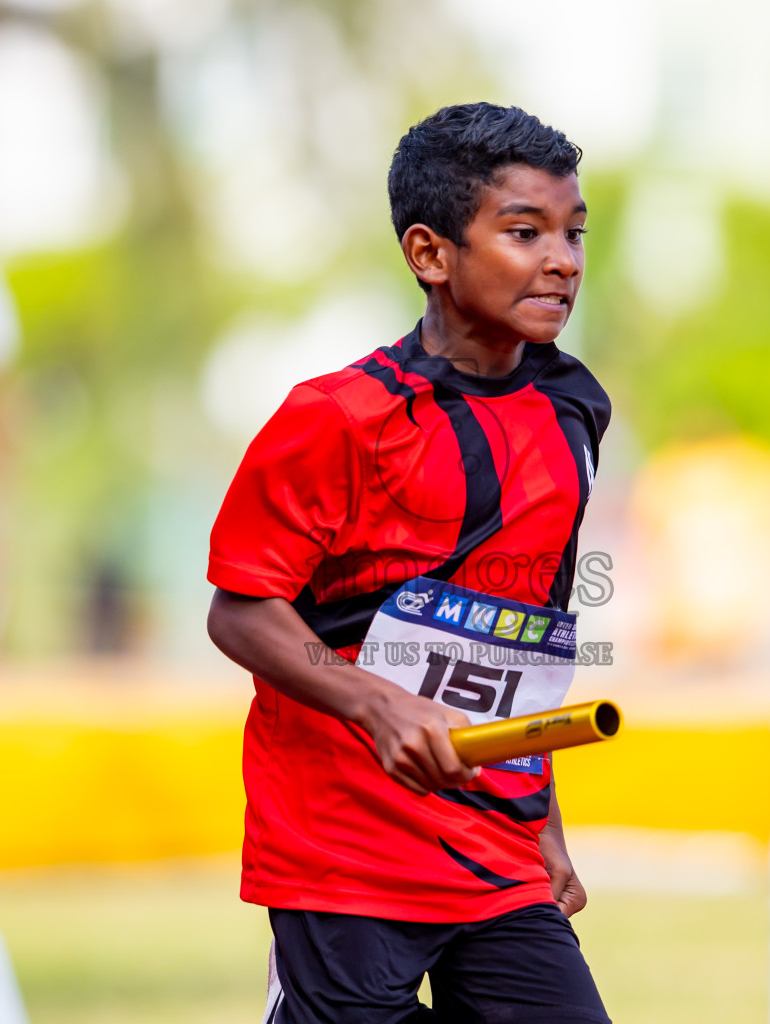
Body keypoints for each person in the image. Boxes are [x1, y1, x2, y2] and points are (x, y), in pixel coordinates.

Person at [207, 102, 612, 1024]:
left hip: (497, 850)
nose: (564, 260)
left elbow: (528, 632)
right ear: (430, 254)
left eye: (574, 232)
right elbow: (238, 611)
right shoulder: (337, 417)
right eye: (525, 232)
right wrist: (378, 702)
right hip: (343, 852)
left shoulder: (575, 410)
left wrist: (544, 822)